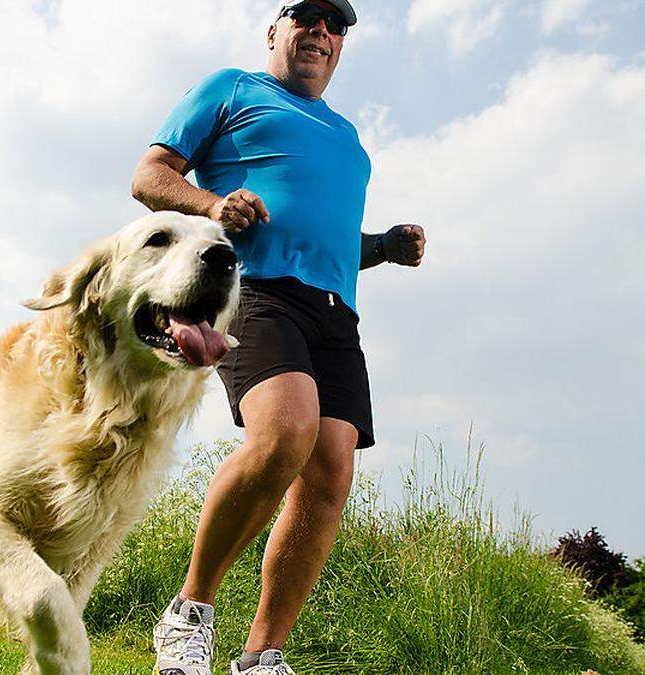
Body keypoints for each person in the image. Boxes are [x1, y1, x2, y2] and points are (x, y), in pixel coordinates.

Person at [131, 1, 425, 673]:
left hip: (335, 312)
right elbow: (148, 175)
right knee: (285, 432)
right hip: (256, 289)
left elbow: (327, 240)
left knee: (330, 473)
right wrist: (212, 205)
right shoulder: (232, 87)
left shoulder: (349, 138)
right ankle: (188, 613)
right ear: (276, 29)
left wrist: (384, 245)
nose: (321, 33)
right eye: (308, 18)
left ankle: (262, 656)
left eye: (336, 26)